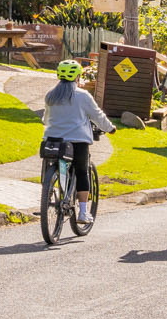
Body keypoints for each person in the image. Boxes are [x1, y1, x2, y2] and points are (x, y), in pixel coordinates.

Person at [41, 59, 115, 223]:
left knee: (52, 167)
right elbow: (97, 116)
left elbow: (45, 119)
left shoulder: (50, 95)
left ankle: (47, 196)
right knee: (82, 172)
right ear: (78, 77)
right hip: (77, 142)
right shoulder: (82, 96)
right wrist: (110, 128)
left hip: (53, 141)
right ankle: (82, 212)